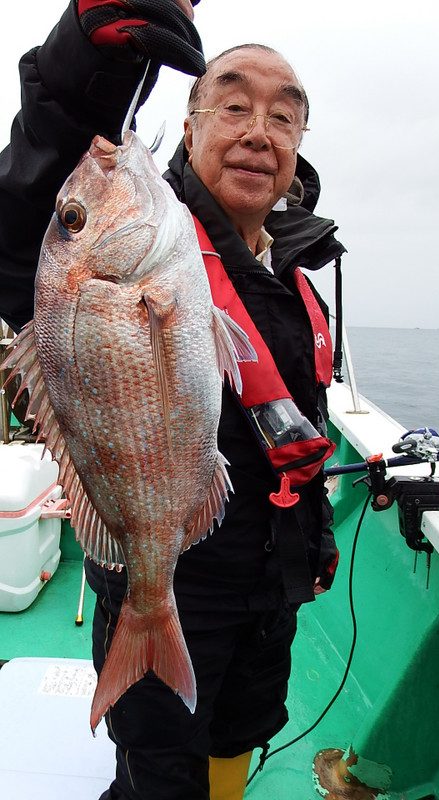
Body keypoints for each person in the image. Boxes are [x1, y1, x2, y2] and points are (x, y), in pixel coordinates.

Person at [0, 2, 345, 798]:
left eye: (282, 117)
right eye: (232, 104)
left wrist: (311, 538)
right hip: (169, 570)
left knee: (242, 733)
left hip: (269, 581)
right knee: (158, 771)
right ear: (187, 131)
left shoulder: (297, 279)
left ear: (296, 150)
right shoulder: (150, 242)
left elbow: (300, 421)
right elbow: (28, 227)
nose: (258, 129)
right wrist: (81, 68)